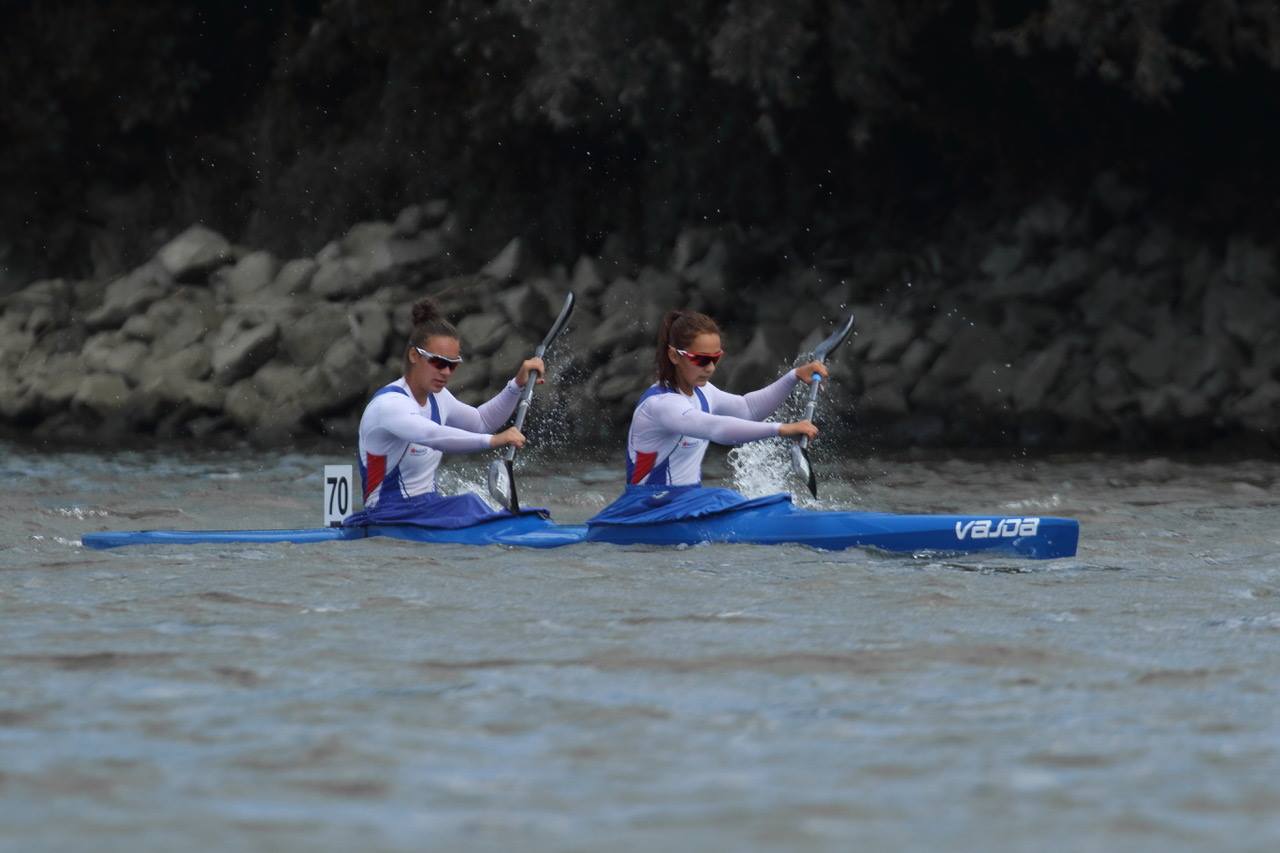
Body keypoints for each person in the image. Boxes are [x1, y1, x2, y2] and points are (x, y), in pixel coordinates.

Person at [588, 309, 826, 527]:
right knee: (727, 497)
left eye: (716, 358)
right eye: (701, 360)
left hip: (686, 502)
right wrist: (781, 429)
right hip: (647, 507)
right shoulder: (661, 404)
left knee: (735, 499)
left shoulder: (704, 391)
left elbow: (748, 408)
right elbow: (717, 429)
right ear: (674, 355)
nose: (710, 368)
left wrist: (794, 376)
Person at [343, 297, 546, 528]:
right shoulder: (389, 406)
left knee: (474, 503)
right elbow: (433, 436)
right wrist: (496, 440)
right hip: (388, 516)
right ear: (414, 356)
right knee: (469, 503)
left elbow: (481, 422)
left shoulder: (438, 398)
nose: (447, 372)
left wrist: (516, 385)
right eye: (438, 362)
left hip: (428, 509)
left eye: (453, 364)